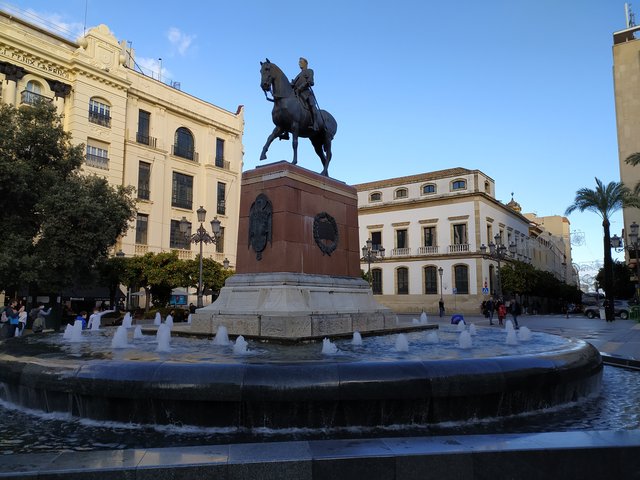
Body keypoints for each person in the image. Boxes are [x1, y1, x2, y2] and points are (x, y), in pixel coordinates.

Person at [291, 57, 319, 131]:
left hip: (306, 93)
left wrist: (300, 87)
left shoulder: (310, 71)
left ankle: (315, 124)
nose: (299, 63)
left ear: (306, 63)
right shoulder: (298, 75)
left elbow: (311, 81)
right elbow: (293, 84)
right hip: (297, 94)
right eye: (299, 62)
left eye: (301, 62)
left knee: (312, 105)